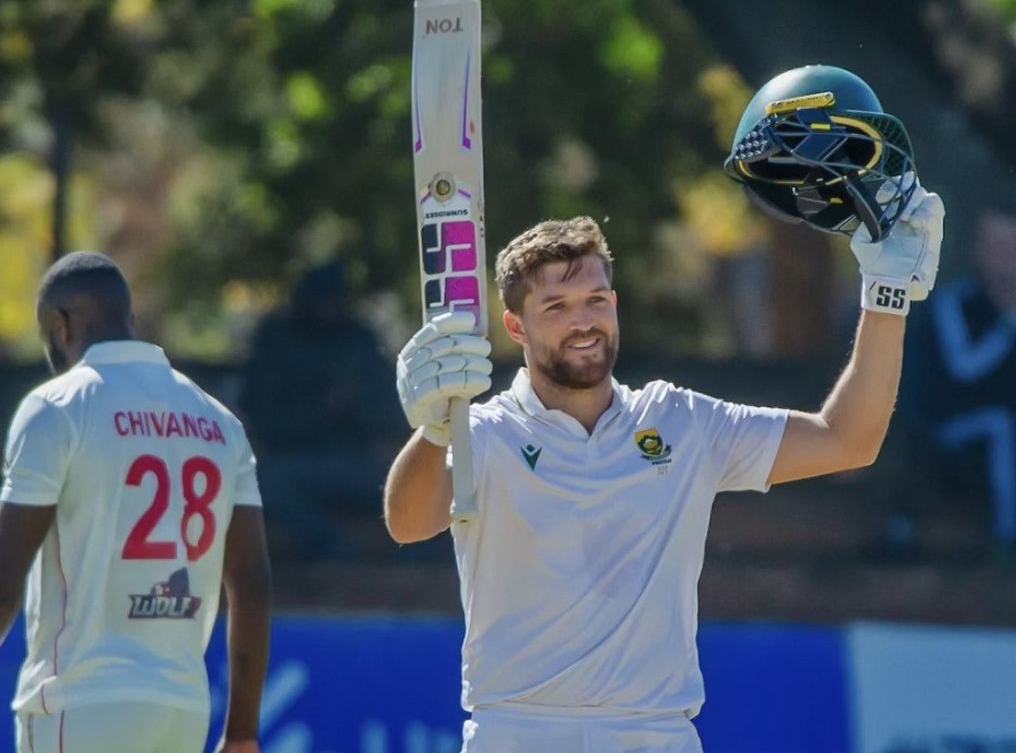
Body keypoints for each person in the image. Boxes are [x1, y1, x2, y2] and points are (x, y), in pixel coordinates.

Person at [385, 187, 943, 749]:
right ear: (516, 327)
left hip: (654, 734)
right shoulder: (486, 432)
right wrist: (434, 432)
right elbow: (407, 522)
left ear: (615, 303)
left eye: (596, 300)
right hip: (519, 731)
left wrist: (886, 294)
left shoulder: (679, 419)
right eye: (556, 307)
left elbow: (848, 439)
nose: (583, 322)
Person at [0, 252, 271, 753]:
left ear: (59, 324)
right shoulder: (219, 422)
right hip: (182, 712)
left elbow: (1, 580)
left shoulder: (57, 408)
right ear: (127, 319)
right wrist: (241, 733)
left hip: (81, 701)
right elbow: (253, 584)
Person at [241, 261, 406, 559]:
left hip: (356, 461)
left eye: (334, 301)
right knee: (263, 481)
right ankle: (337, 549)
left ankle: (411, 556)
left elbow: (390, 414)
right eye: (320, 301)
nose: (326, 310)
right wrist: (319, 410)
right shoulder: (278, 337)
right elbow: (260, 415)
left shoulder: (358, 339)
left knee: (415, 482)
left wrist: (352, 407)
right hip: (295, 459)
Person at [899, 207, 1016, 556]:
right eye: (997, 246)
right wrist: (1008, 324)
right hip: (948, 431)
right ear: (978, 250)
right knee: (1001, 425)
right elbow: (964, 369)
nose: (1006, 257)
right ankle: (1008, 537)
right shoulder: (955, 302)